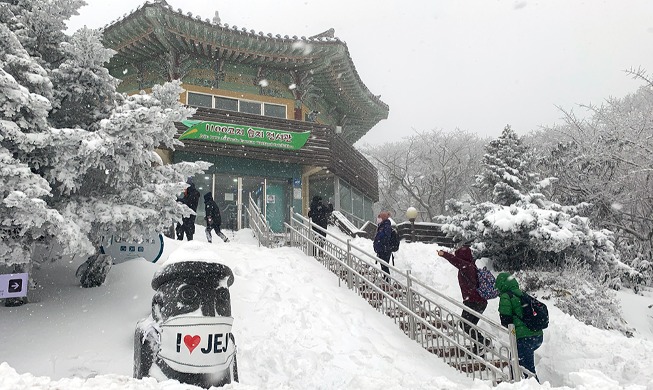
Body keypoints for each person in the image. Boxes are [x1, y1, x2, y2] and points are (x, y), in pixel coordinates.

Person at [437, 246, 490, 354]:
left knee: (465, 324)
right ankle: (479, 347)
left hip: (473, 301)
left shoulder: (466, 266)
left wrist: (444, 254)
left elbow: (455, 260)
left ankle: (483, 342)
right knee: (470, 326)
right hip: (479, 302)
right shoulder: (471, 266)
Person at [494, 272, 544, 382]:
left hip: (524, 337)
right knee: (517, 364)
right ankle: (516, 384)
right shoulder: (522, 293)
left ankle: (533, 386)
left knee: (525, 369)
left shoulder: (506, 296)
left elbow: (506, 319)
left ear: (502, 284)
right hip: (537, 335)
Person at [373, 211, 393, 283]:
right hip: (382, 249)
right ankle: (386, 280)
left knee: (384, 265)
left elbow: (385, 237)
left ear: (383, 218)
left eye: (379, 217)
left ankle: (387, 281)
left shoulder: (386, 226)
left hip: (385, 250)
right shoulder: (382, 226)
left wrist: (381, 244)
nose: (378, 219)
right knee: (383, 266)